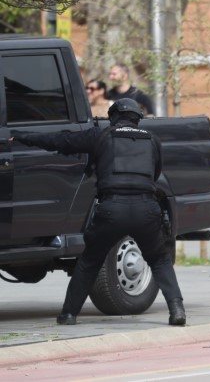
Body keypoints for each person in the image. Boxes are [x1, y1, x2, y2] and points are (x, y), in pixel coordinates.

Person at [10, 99, 185, 326]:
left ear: (113, 117)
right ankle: (177, 310)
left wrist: (22, 136)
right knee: (160, 260)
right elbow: (155, 173)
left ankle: (69, 314)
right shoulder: (152, 141)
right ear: (137, 118)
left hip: (111, 209)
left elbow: (60, 141)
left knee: (90, 261)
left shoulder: (100, 136)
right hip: (146, 209)